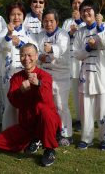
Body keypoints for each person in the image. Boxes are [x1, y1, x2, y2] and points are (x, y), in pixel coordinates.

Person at [0, 43, 61, 167]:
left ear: (36, 57)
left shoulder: (44, 76)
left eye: (30, 55)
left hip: (45, 122)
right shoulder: (16, 77)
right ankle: (35, 139)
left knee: (45, 111)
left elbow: (47, 99)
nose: (26, 59)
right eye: (23, 55)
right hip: (27, 124)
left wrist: (38, 84)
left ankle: (49, 149)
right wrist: (21, 91)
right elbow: (14, 102)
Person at [73, 0, 105, 150]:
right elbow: (77, 53)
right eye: (83, 10)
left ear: (96, 12)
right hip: (86, 75)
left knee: (103, 109)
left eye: (89, 10)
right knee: (86, 109)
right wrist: (88, 48)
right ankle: (86, 138)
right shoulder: (80, 32)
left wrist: (100, 27)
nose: (86, 13)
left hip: (102, 75)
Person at [0, 2, 36, 130]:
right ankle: (8, 133)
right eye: (13, 14)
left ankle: (25, 133)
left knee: (25, 105)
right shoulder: (3, 31)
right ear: (8, 16)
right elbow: (1, 47)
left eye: (19, 14)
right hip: (9, 75)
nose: (16, 17)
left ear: (24, 16)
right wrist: (9, 36)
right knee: (9, 105)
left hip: (25, 75)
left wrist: (20, 44)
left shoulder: (29, 33)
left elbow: (34, 50)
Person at [38, 9, 72, 146]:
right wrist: (43, 57)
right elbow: (37, 53)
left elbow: (60, 49)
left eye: (51, 21)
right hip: (45, 74)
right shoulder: (40, 35)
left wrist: (50, 50)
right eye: (45, 21)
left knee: (60, 105)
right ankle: (50, 130)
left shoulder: (63, 34)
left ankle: (66, 134)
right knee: (47, 104)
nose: (48, 23)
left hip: (61, 75)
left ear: (57, 22)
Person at [61, 0, 86, 131]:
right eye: (75, 2)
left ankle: (85, 119)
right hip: (70, 62)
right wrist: (70, 33)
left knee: (83, 93)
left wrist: (79, 21)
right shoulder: (66, 22)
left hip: (83, 62)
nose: (77, 5)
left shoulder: (87, 19)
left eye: (80, 2)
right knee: (74, 94)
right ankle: (78, 118)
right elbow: (63, 39)